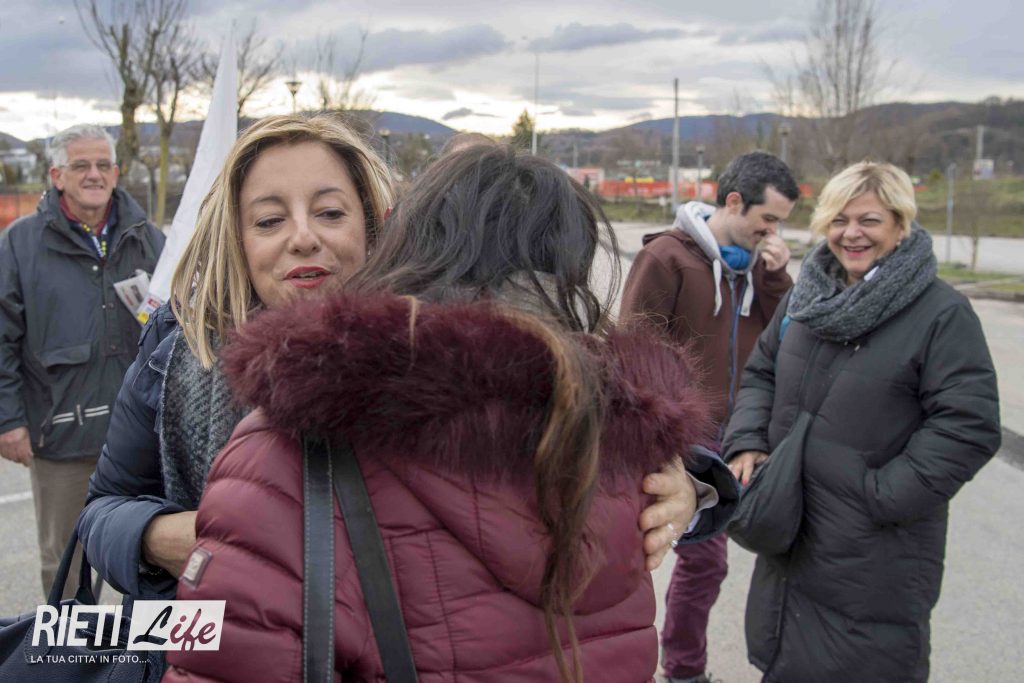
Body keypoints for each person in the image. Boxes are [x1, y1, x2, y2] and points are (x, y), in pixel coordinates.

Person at [77, 114, 705, 607]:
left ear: (375, 226)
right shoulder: (178, 349)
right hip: (217, 638)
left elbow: (590, 416)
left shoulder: (438, 341)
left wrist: (688, 490)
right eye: (269, 220)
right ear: (235, 240)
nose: (303, 236)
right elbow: (103, 508)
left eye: (330, 212)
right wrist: (168, 537)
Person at [723, 161, 1001, 682]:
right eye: (839, 220)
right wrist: (747, 442)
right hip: (791, 534)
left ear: (900, 225)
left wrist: (881, 496)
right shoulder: (805, 299)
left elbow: (969, 424)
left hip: (875, 557)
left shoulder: (941, 314)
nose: (852, 233)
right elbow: (761, 372)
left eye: (869, 220)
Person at [619, 151, 799, 683]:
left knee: (749, 556)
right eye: (768, 219)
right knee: (703, 561)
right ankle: (683, 668)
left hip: (744, 437)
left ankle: (685, 665)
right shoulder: (668, 258)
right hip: (687, 441)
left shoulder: (760, 269)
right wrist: (658, 438)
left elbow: (790, 339)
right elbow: (631, 350)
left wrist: (775, 279)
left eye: (781, 223)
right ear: (734, 201)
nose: (773, 232)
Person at [0, 123, 164, 597]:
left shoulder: (148, 237)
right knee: (67, 562)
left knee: (151, 554)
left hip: (140, 431)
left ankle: (139, 645)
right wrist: (8, 420)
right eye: (80, 165)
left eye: (102, 164)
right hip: (61, 430)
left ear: (116, 172)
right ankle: (74, 645)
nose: (94, 174)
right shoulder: (20, 243)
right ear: (57, 175)